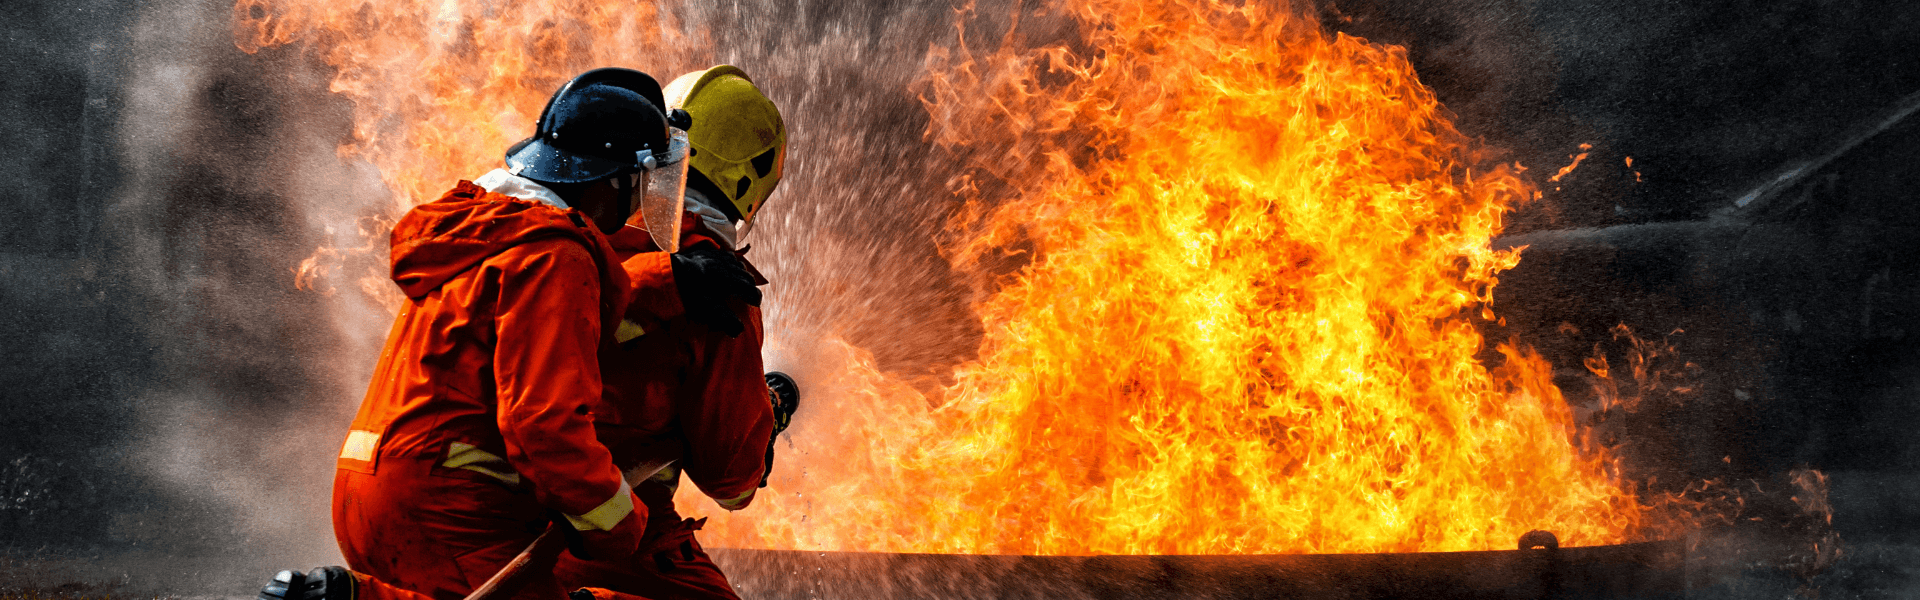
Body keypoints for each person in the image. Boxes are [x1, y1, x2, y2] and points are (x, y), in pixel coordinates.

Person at [260, 67, 693, 600]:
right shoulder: (557, 257)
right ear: (614, 179)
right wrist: (620, 526)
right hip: (449, 506)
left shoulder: (490, 230)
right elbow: (544, 425)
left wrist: (668, 281)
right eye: (638, 186)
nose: (637, 205)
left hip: (367, 486)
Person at [555, 64, 795, 600]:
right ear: (752, 179)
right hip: (612, 527)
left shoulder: (584, 217)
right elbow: (730, 483)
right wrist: (766, 422)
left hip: (491, 510)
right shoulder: (718, 284)